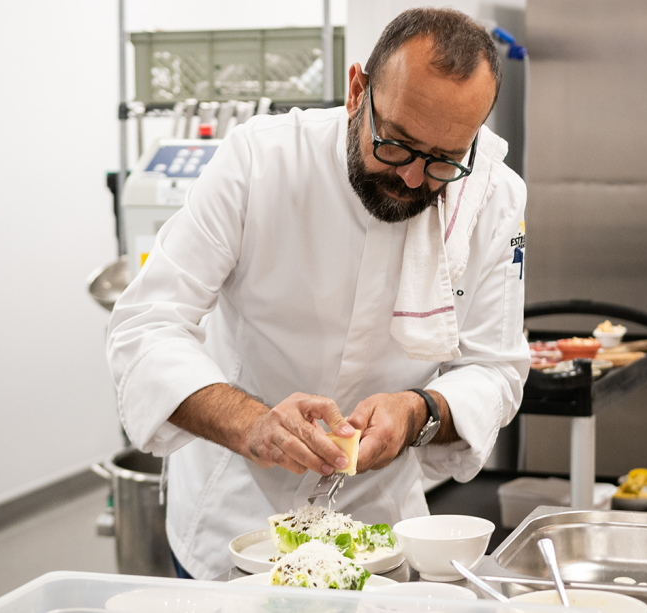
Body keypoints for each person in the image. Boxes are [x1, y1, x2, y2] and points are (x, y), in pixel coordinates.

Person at [107, 7, 528, 580]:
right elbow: (145, 326)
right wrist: (250, 422)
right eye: (397, 143)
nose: (411, 178)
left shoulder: (493, 197)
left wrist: (418, 413)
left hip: (376, 531)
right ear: (358, 91)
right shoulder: (260, 160)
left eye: (444, 160)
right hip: (236, 521)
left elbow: (496, 370)